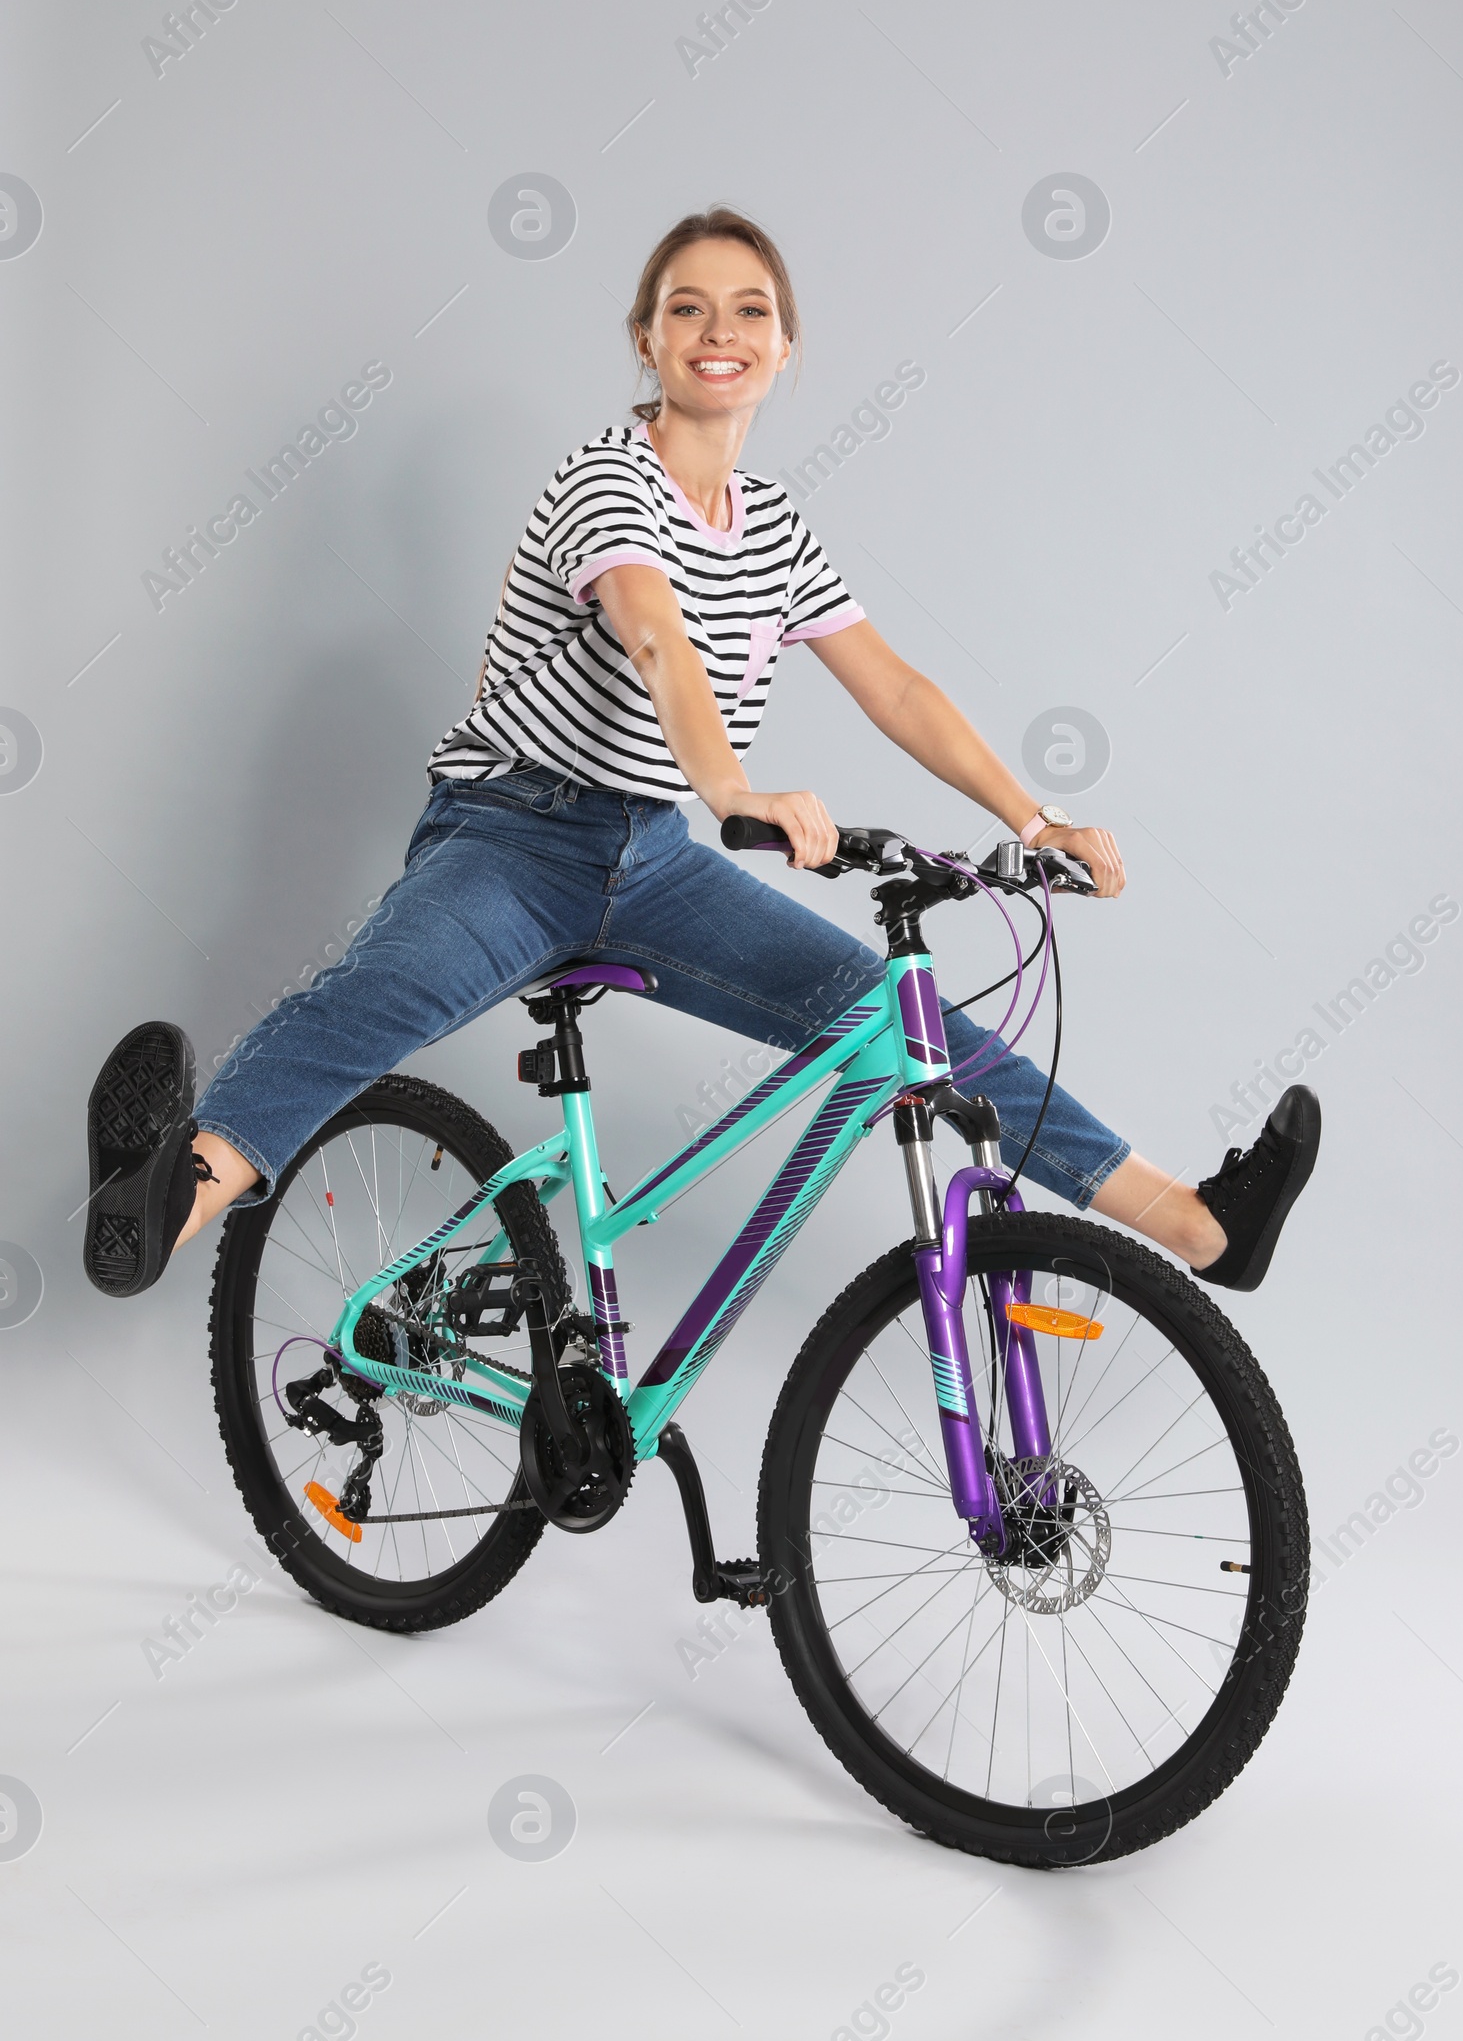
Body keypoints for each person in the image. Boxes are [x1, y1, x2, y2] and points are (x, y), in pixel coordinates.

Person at [83, 206, 1317, 1302]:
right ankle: (161, 1200)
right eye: (686, 308)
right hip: (513, 836)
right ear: (645, 340)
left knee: (908, 1020)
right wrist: (732, 788)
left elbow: (893, 685)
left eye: (749, 311)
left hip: (653, 859)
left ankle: (1201, 1226)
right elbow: (657, 633)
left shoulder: (773, 525)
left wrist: (1032, 820)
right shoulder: (604, 480)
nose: (716, 330)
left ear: (785, 350)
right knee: (372, 1004)